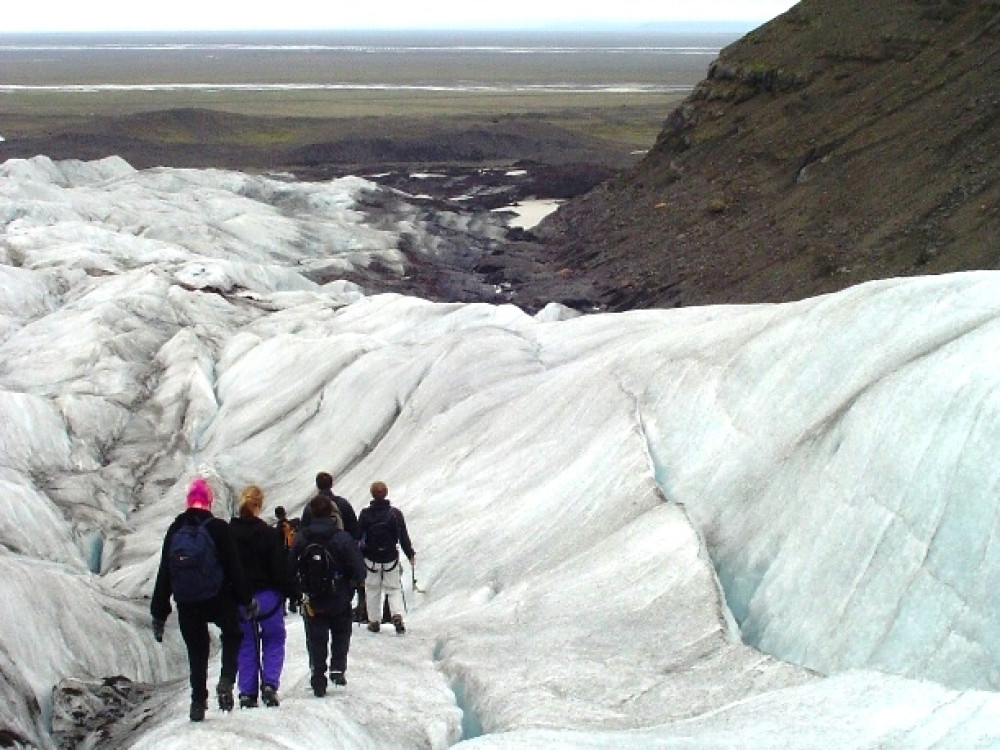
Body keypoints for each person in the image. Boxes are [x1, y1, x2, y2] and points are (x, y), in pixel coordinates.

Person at [151, 477, 256, 722]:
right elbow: (233, 566)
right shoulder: (218, 528)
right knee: (233, 633)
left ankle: (198, 701)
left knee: (197, 650)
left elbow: (165, 573)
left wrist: (159, 612)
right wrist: (246, 599)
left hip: (187, 602)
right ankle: (227, 679)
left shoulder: (176, 528)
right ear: (209, 501)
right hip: (218, 597)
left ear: (188, 501)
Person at [289, 494, 366, 697]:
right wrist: (352, 585)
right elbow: (359, 569)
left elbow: (289, 567)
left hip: (311, 598)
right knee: (341, 632)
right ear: (331, 513)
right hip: (339, 596)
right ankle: (337, 667)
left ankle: (318, 676)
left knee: (315, 637)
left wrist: (298, 591)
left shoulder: (301, 538)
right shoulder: (341, 537)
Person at [230, 485, 294, 708]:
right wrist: (288, 592)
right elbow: (279, 568)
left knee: (245, 643)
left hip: (240, 598)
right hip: (268, 598)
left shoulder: (229, 533)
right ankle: (269, 684)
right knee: (274, 639)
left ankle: (247, 693)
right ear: (260, 504)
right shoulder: (268, 533)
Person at [358, 480, 415, 635]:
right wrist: (410, 553)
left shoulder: (365, 514)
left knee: (372, 589)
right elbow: (403, 536)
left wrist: (359, 557)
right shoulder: (395, 514)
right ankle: (397, 614)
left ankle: (374, 621)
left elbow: (359, 538)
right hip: (390, 557)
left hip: (371, 558)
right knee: (393, 588)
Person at [302, 471, 359, 538]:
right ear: (331, 484)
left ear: (317, 485)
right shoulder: (343, 503)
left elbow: (302, 531)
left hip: (316, 545)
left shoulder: (310, 506)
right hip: (340, 544)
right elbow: (354, 528)